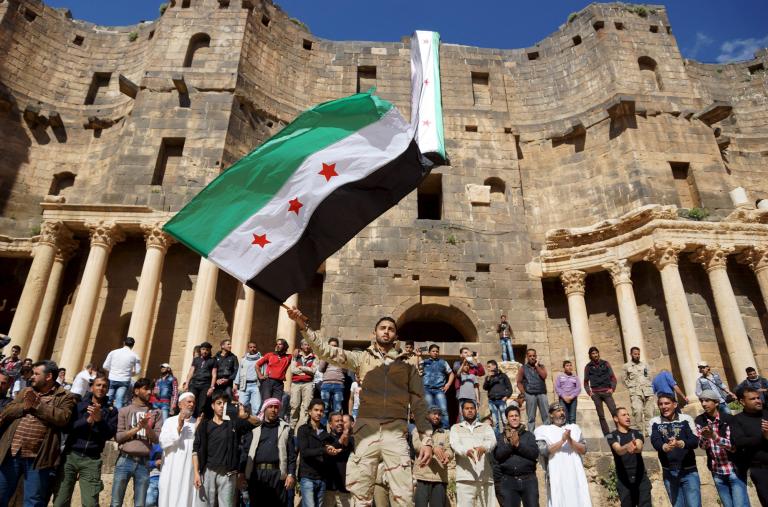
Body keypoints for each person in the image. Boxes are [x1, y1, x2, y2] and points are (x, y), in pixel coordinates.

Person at [287, 308, 433, 506]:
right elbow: (325, 351)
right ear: (374, 333)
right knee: (360, 494)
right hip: (366, 431)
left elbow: (419, 403)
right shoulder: (361, 359)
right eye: (382, 328)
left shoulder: (408, 365)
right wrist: (303, 326)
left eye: (391, 329)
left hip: (396, 433)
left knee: (404, 496)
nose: (386, 331)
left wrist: (427, 440)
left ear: (396, 336)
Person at [0, 360, 76, 506]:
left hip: (39, 458)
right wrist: (25, 406)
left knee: (33, 501)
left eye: (36, 374)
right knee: (1, 494)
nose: (32, 377)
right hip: (12, 453)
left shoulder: (65, 396)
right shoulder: (25, 392)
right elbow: (8, 411)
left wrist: (38, 406)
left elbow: (63, 418)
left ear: (48, 377)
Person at [52, 375, 118, 507]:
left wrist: (99, 421)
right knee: (60, 501)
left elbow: (109, 434)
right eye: (98, 385)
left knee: (91, 503)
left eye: (105, 386)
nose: (101, 388)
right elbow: (67, 428)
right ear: (92, 387)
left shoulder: (111, 411)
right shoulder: (78, 405)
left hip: (92, 459)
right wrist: (86, 421)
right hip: (71, 455)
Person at [193, 391, 259, 507]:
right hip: (208, 471)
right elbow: (195, 450)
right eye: (219, 403)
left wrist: (246, 416)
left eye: (225, 403)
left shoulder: (233, 424)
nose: (222, 406)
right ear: (213, 406)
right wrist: (196, 473)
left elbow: (258, 423)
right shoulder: (204, 425)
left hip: (228, 474)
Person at [111, 377, 161, 507]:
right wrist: (137, 428)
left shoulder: (156, 412)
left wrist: (146, 427)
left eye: (151, 389)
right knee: (116, 502)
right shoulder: (124, 410)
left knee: (140, 504)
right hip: (124, 460)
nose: (149, 392)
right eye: (146, 389)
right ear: (136, 391)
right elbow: (119, 437)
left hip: (144, 463)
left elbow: (156, 439)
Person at [694, 389, 748, 507]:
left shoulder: (729, 419)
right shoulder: (699, 420)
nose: (703, 404)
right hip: (717, 472)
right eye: (701, 401)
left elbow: (733, 447)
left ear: (717, 403)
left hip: (734, 470)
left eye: (707, 401)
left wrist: (714, 436)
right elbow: (703, 446)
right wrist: (705, 437)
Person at [238, 398, 296, 506]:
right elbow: (245, 452)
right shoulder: (254, 429)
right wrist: (241, 473)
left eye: (276, 407)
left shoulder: (285, 428)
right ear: (264, 409)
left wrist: (291, 474)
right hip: (257, 475)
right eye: (271, 407)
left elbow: (291, 455)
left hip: (277, 475)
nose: (273, 410)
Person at [534, 402, 591, 507]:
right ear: (551, 414)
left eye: (563, 410)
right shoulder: (543, 430)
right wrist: (562, 441)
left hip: (575, 474)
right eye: (558, 411)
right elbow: (544, 451)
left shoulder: (574, 428)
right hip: (557, 474)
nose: (562, 413)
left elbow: (584, 449)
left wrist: (569, 440)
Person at [649, 394, 701, 507]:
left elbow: (694, 441)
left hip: (689, 471)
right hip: (669, 472)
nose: (663, 406)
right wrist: (665, 447)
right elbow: (655, 441)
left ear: (675, 404)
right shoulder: (655, 422)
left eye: (667, 403)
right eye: (660, 404)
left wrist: (680, 443)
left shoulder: (686, 419)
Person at [449, 399, 496, 507]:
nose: (470, 411)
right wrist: (466, 451)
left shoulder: (486, 427)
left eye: (472, 408)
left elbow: (492, 441)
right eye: (467, 408)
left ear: (476, 410)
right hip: (465, 478)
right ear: (462, 411)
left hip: (485, 477)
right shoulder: (455, 428)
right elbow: (455, 444)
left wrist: (484, 448)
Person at [493, 405, 539, 507]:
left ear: (520, 417)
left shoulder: (528, 435)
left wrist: (518, 445)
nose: (514, 418)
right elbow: (498, 455)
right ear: (507, 419)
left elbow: (534, 453)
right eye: (511, 416)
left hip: (528, 479)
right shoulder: (500, 437)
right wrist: (511, 445)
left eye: (516, 415)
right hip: (508, 481)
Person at [158, 391, 197, 507]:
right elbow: (163, 442)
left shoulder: (197, 423)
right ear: (180, 405)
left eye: (193, 402)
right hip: (171, 469)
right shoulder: (170, 421)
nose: (191, 404)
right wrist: (178, 428)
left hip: (188, 471)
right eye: (189, 402)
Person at [606, 407, 651, 507]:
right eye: (623, 415)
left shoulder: (637, 433)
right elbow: (618, 450)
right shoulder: (611, 435)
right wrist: (627, 447)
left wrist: (635, 448)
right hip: (624, 479)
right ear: (616, 419)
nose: (627, 417)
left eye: (628, 414)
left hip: (641, 477)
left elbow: (639, 447)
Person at [731, 387, 768, 506]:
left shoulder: (767, 414)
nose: (758, 401)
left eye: (758, 397)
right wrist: (764, 437)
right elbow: (739, 441)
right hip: (761, 470)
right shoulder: (737, 420)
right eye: (753, 399)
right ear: (742, 402)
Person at [297, 399, 337, 507]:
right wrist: (324, 450)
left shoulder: (325, 432)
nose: (319, 413)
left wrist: (333, 450)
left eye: (321, 411)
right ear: (310, 411)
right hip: (307, 477)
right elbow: (304, 452)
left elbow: (334, 446)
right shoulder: (303, 430)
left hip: (321, 478)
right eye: (316, 410)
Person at [412, 407, 452, 507]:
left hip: (439, 478)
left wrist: (447, 456)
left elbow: (450, 449)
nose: (437, 416)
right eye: (434, 413)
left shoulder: (446, 433)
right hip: (422, 476)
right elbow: (417, 445)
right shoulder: (419, 429)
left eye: (439, 414)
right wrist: (433, 448)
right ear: (427, 415)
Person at [583, 346, 618, 435]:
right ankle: (606, 434)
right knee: (601, 415)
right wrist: (590, 393)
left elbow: (613, 378)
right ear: (590, 355)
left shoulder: (605, 363)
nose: (595, 355)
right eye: (593, 354)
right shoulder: (588, 367)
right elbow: (585, 382)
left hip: (607, 392)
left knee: (614, 412)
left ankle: (619, 430)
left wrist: (612, 389)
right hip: (596, 394)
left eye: (596, 353)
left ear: (598, 353)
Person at [324, 412, 355, 507]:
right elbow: (328, 450)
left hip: (345, 488)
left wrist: (344, 438)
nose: (340, 423)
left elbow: (347, 445)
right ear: (330, 424)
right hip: (329, 487)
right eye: (337, 421)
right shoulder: (325, 438)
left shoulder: (350, 439)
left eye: (341, 420)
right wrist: (340, 441)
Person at [420, 344, 454, 429]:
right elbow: (418, 369)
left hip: (439, 389)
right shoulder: (425, 361)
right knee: (430, 410)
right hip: (427, 389)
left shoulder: (443, 362)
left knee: (443, 409)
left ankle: (445, 429)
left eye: (437, 351)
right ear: (429, 352)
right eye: (433, 351)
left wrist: (448, 384)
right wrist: (418, 356)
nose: (435, 353)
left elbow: (451, 374)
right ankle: (430, 428)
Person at [622, 347, 655, 435]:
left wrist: (647, 384)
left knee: (649, 411)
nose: (637, 356)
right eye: (635, 354)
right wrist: (631, 387)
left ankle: (650, 431)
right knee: (637, 410)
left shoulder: (645, 365)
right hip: (635, 392)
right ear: (631, 354)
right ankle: (640, 431)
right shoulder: (626, 366)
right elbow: (624, 379)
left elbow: (649, 376)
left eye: (638, 354)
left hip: (647, 391)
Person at [103, 337, 142, 409]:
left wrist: (113, 371)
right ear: (133, 345)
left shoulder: (113, 352)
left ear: (124, 343)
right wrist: (129, 374)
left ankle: (104, 414)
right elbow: (138, 371)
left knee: (107, 399)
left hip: (112, 378)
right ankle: (116, 418)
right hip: (124, 380)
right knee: (119, 401)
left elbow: (105, 366)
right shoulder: (135, 356)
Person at [515, 348, 549, 429]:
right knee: (531, 417)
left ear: (536, 356)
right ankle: (531, 435)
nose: (532, 357)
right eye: (530, 356)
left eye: (534, 355)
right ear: (527, 357)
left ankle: (548, 433)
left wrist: (537, 366)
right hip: (530, 394)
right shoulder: (523, 368)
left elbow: (544, 376)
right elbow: (519, 382)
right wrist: (524, 393)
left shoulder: (541, 366)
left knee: (546, 415)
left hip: (541, 393)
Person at [290, 339, 317, 430]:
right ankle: (292, 427)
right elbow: (293, 370)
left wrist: (300, 367)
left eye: (309, 345)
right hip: (296, 383)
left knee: (306, 407)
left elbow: (313, 371)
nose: (307, 346)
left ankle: (301, 428)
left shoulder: (314, 357)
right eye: (305, 345)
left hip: (308, 384)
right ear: (301, 346)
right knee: (295, 406)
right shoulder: (296, 356)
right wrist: (306, 370)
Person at [184, 341, 217, 418]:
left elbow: (214, 374)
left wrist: (212, 387)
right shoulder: (196, 360)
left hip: (205, 385)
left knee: (202, 405)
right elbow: (191, 372)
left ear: (209, 351)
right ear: (200, 350)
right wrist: (187, 383)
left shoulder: (212, 360)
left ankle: (198, 421)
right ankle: (189, 419)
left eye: (207, 350)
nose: (205, 351)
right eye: (203, 349)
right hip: (194, 384)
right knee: (191, 401)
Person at [318, 338, 346, 424]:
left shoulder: (342, 355)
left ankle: (336, 430)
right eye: (331, 345)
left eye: (335, 345)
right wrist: (325, 357)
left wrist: (340, 359)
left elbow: (345, 370)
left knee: (337, 409)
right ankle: (322, 430)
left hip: (339, 384)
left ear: (337, 347)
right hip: (326, 384)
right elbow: (320, 369)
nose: (333, 347)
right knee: (324, 408)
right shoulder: (325, 355)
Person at [483, 359, 513, 436]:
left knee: (505, 419)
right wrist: (488, 378)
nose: (488, 368)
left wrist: (506, 396)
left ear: (494, 366)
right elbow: (485, 388)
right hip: (492, 401)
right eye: (487, 367)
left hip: (501, 400)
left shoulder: (503, 376)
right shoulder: (488, 378)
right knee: (495, 421)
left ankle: (507, 436)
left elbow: (510, 388)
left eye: (489, 366)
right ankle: (497, 438)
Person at [256, 338, 291, 403]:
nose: (278, 346)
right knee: (266, 402)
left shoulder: (288, 357)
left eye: (280, 344)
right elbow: (257, 365)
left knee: (276, 403)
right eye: (277, 344)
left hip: (279, 384)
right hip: (268, 382)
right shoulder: (270, 355)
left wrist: (297, 351)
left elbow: (298, 354)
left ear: (285, 346)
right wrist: (260, 376)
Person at [234, 341, 262, 412]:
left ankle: (255, 422)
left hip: (256, 385)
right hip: (244, 386)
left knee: (256, 407)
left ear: (256, 348)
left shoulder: (261, 359)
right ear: (248, 348)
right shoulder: (243, 360)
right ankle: (242, 422)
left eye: (254, 347)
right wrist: (236, 384)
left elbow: (264, 372)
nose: (252, 349)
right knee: (242, 405)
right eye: (251, 347)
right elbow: (239, 372)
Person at [554, 360, 580, 425]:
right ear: (564, 367)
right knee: (564, 416)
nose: (569, 367)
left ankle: (573, 432)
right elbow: (557, 387)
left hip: (573, 399)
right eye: (567, 366)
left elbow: (578, 388)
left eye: (570, 365)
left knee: (572, 417)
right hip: (563, 399)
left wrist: (571, 397)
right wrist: (564, 396)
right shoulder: (560, 377)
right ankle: (565, 432)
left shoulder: (575, 377)